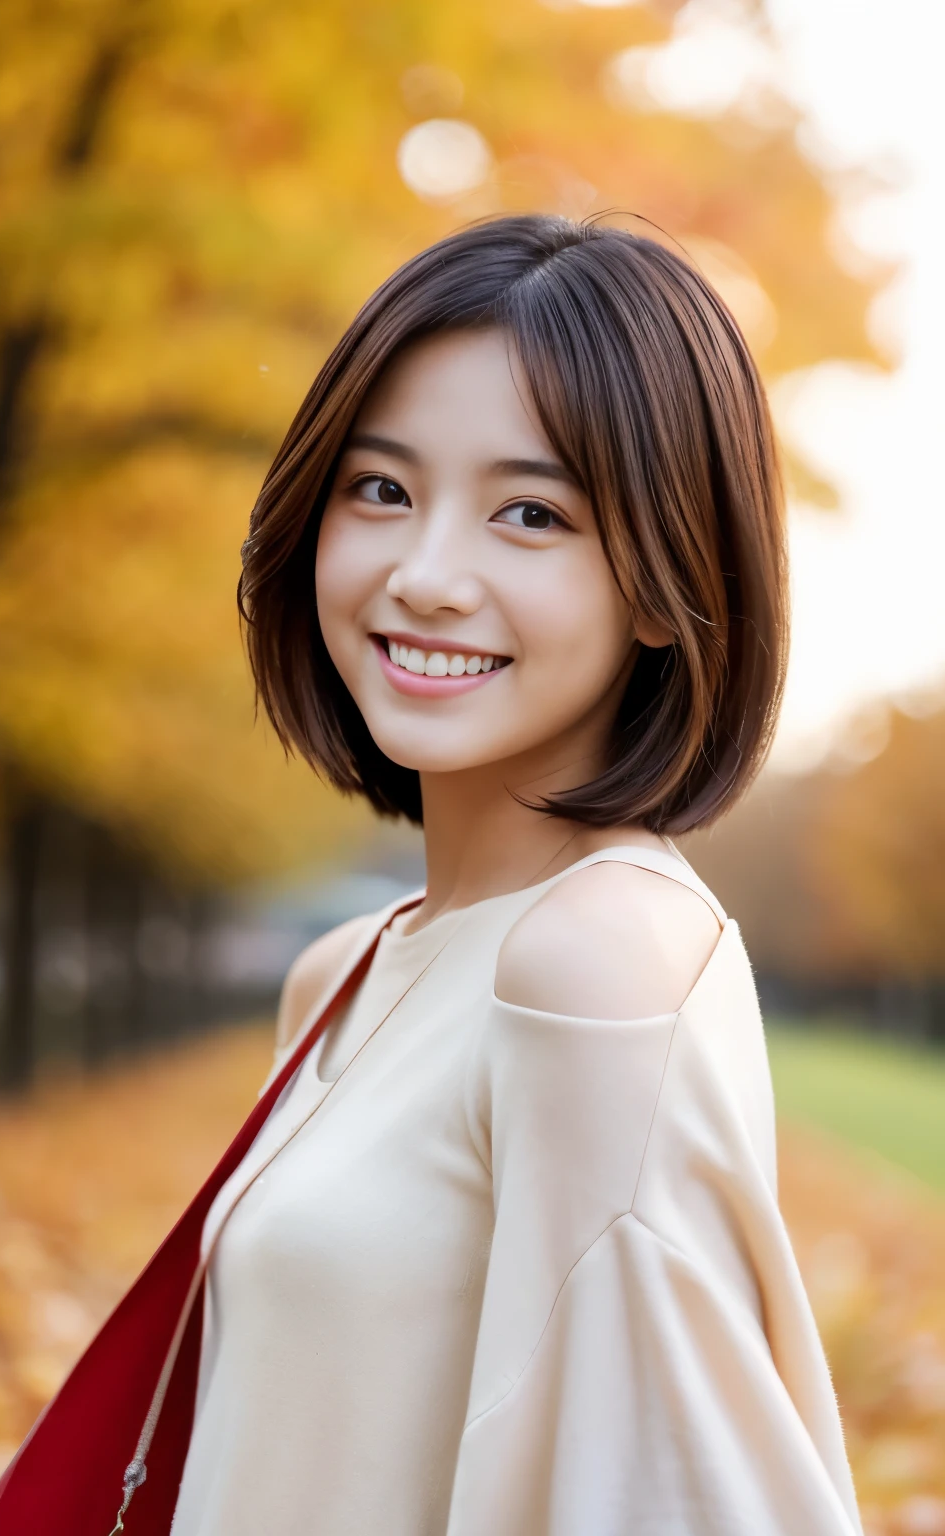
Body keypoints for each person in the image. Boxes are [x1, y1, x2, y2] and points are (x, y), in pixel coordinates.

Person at [164, 215, 862, 1535]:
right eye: (379, 490)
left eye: (529, 514)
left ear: (669, 584)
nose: (425, 576)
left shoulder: (597, 962)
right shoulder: (346, 969)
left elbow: (674, 1495)